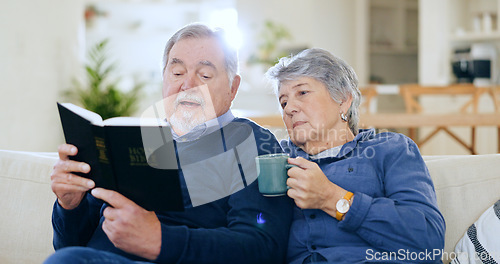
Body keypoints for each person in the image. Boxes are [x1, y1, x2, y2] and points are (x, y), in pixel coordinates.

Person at [45, 23, 293, 264]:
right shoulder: (132, 140)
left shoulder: (254, 143)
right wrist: (69, 205)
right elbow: (70, 245)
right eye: (177, 73)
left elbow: (264, 245)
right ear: (164, 79)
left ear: (233, 87)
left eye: (205, 75)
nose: (187, 85)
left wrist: (160, 240)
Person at [266, 48, 445, 263]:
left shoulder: (390, 149)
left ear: (342, 99)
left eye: (302, 93)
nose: (289, 109)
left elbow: (428, 241)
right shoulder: (275, 159)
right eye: (283, 102)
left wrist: (332, 198)